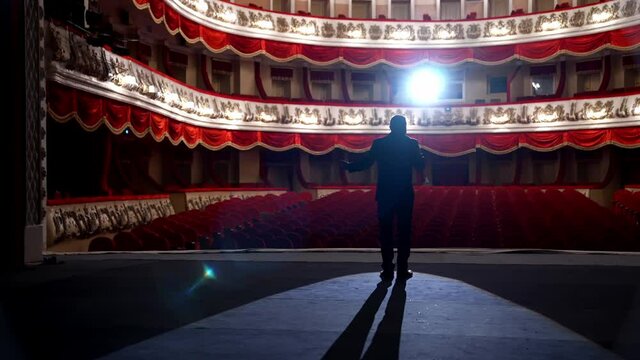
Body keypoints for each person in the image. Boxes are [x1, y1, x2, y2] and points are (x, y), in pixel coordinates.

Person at [342, 115, 425, 281]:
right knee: (404, 233)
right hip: (404, 195)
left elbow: (366, 162)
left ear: (391, 127)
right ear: (403, 127)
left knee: (385, 233)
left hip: (385, 194)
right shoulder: (411, 144)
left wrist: (349, 167)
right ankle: (403, 270)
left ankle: (387, 270)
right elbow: (420, 165)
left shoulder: (380, 144)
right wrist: (421, 158)